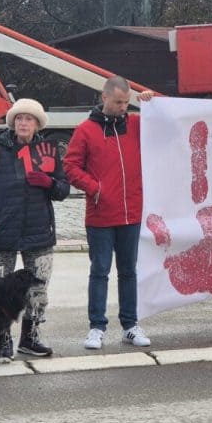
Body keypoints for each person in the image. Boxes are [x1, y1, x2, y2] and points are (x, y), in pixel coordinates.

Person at [0, 98, 70, 359]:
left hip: (39, 233)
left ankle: (31, 338)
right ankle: (2, 339)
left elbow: (63, 190)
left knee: (37, 290)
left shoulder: (48, 152)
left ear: (37, 124)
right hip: (1, 233)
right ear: (13, 122)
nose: (24, 123)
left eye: (29, 119)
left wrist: (48, 182)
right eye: (20, 118)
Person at [63, 76, 154, 349]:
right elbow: (70, 166)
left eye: (127, 102)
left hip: (132, 214)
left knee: (129, 271)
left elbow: (167, 123)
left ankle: (130, 325)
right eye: (118, 102)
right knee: (99, 271)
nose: (124, 107)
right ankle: (96, 327)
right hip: (100, 215)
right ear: (104, 98)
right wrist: (95, 188)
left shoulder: (137, 124)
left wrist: (152, 102)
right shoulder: (85, 131)